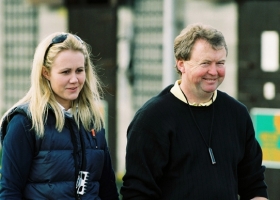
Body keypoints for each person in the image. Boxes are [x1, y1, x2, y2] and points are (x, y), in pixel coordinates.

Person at [120, 23, 268, 199]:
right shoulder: (152, 119)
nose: (214, 71)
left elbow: (254, 185)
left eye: (220, 63)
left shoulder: (237, 114)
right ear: (181, 64)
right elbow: (138, 193)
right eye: (205, 63)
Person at [0, 32, 119, 200]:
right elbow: (10, 191)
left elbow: (108, 189)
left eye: (79, 70)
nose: (74, 79)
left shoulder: (92, 120)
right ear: (45, 73)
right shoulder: (25, 122)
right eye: (65, 72)